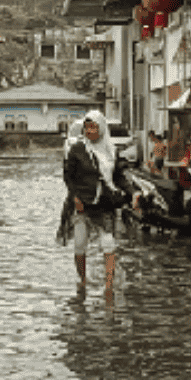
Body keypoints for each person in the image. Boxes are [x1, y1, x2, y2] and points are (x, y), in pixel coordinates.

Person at [64, 110, 120, 289]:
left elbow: (119, 177)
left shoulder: (111, 151)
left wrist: (132, 193)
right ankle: (82, 281)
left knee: (108, 243)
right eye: (87, 127)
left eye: (94, 127)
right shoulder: (77, 150)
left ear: (102, 129)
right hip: (82, 204)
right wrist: (75, 197)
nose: (89, 131)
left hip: (104, 204)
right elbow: (68, 176)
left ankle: (109, 286)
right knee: (80, 245)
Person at [55, 119, 86, 248]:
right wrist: (75, 194)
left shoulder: (104, 149)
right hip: (78, 195)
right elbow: (68, 175)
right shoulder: (74, 148)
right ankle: (64, 234)